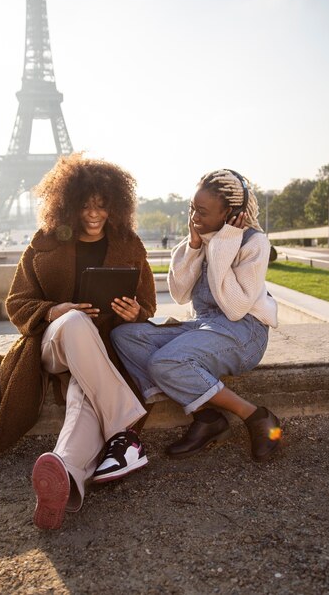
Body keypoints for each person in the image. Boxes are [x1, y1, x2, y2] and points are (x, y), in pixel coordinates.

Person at [0, 153, 156, 530]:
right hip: (53, 343)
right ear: (68, 205)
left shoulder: (129, 244)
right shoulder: (43, 243)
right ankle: (125, 429)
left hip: (98, 350)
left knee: (85, 400)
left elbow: (148, 304)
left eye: (102, 206)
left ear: (114, 206)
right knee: (74, 321)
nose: (94, 214)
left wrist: (133, 312)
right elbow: (16, 303)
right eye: (85, 205)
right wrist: (53, 310)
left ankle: (66, 476)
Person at [111, 169, 282, 463]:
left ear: (230, 212)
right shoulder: (200, 238)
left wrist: (222, 245)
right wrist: (193, 246)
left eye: (202, 211)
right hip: (206, 328)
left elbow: (236, 307)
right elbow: (179, 293)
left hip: (245, 333)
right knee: (125, 336)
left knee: (165, 361)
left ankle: (255, 416)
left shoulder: (253, 243)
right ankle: (207, 418)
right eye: (192, 208)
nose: (194, 217)